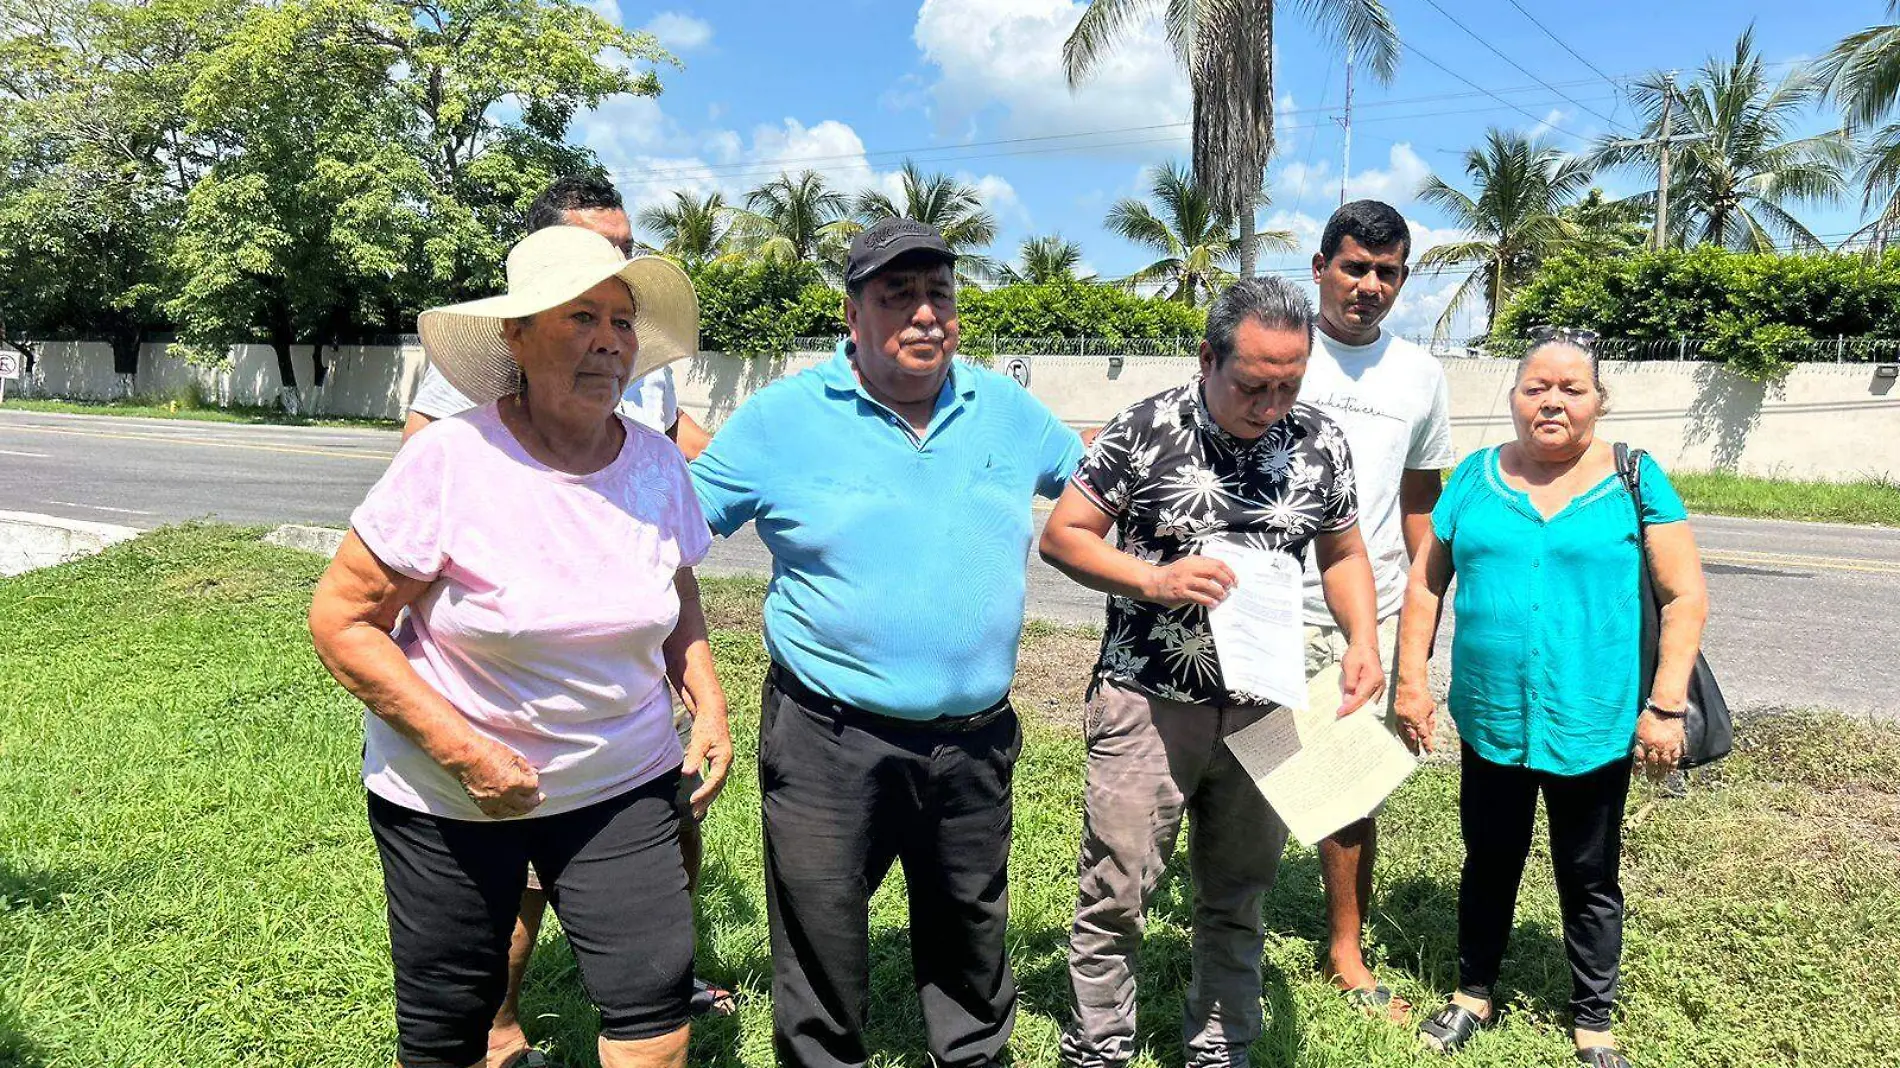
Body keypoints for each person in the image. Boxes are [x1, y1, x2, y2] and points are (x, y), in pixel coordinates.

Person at [309, 225, 731, 1068]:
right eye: (581, 317)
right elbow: (344, 621)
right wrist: (465, 753)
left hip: (625, 781)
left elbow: (675, 586)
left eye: (620, 320)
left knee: (655, 1016)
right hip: (452, 797)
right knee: (449, 1029)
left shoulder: (655, 463)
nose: (609, 340)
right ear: (516, 334)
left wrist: (708, 701)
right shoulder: (450, 460)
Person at [689, 217, 1084, 1068]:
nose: (923, 313)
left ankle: (974, 1057)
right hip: (829, 738)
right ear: (851, 314)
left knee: (972, 927)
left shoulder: (1006, 410)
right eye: (895, 294)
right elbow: (672, 528)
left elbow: (1101, 485)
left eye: (937, 292)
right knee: (821, 933)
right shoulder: (781, 419)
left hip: (975, 740)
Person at [1040, 276, 1387, 1068]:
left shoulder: (1320, 440)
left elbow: (1342, 550)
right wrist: (1153, 579)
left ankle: (1219, 1047)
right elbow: (1063, 536)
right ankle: (1099, 1049)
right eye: (1253, 385)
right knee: (1118, 895)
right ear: (1207, 358)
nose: (1270, 404)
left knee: (1239, 893)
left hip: (1266, 703)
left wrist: (1362, 637)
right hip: (1151, 700)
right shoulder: (1145, 429)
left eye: (1289, 385)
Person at [1392, 332, 1709, 1068]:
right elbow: (1424, 583)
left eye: (1571, 388)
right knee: (1489, 857)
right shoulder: (1473, 477)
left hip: (1594, 717)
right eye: (1537, 387)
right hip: (1492, 712)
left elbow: (1685, 594)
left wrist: (1664, 706)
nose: (1553, 401)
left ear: (1599, 400)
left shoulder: (1636, 476)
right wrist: (1413, 680)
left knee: (1589, 872)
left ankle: (1593, 1022)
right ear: (1513, 400)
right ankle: (1473, 992)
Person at [1299, 199, 1456, 1018]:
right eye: (1354, 266)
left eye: (1387, 272)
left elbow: (1419, 502)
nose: (1369, 286)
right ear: (1319, 266)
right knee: (1228, 780)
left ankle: (1344, 952)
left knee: (1348, 787)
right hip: (1267, 604)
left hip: (1372, 608)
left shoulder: (1419, 375)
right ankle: (1224, 929)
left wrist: (1418, 625)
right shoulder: (1282, 349)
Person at [405, 174, 713, 461]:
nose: (617, 262)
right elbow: (420, 466)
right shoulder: (474, 360)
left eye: (626, 249)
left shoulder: (637, 354)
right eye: (598, 247)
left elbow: (669, 430)